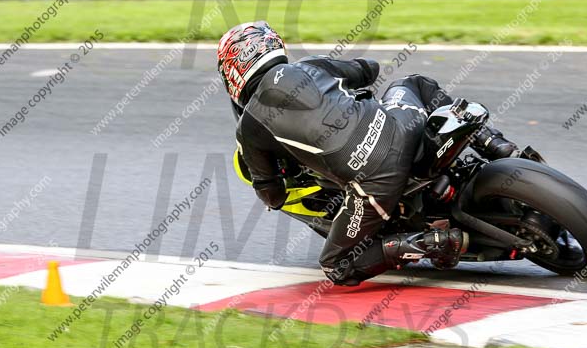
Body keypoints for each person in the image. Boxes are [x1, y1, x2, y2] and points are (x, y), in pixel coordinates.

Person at [219, 21, 519, 286]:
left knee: (336, 266)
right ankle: (493, 142)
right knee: (413, 84)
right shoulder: (310, 66)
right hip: (401, 127)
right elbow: (369, 68)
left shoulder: (248, 129)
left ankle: (433, 242)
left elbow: (272, 195)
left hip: (375, 183)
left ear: (233, 72)